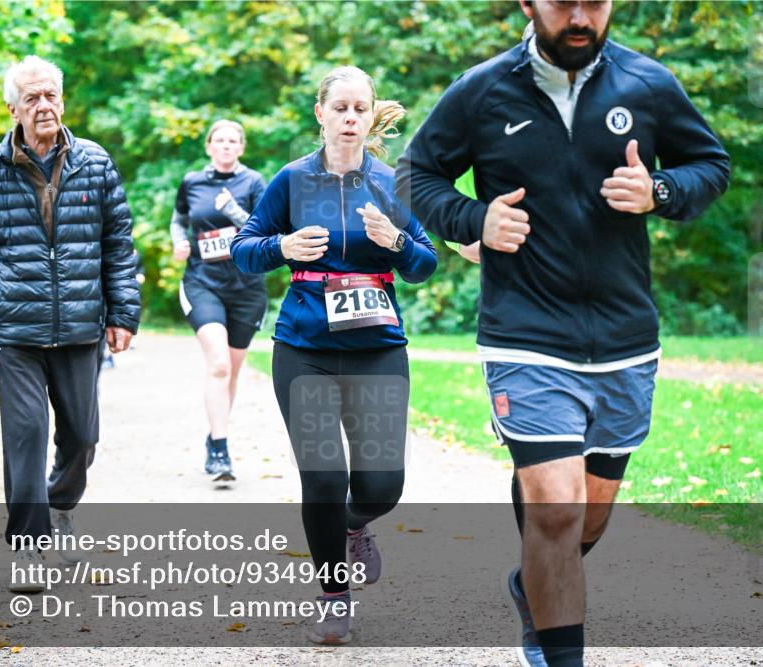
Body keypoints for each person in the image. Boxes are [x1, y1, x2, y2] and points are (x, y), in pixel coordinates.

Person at [396, 2, 730, 666]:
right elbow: (414, 175)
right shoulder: (483, 90)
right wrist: (473, 219)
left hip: (625, 337)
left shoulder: (649, 84)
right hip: (524, 333)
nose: (579, 15)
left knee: (587, 518)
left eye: (594, 2)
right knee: (554, 508)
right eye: (562, 2)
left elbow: (710, 165)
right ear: (527, 4)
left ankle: (534, 581)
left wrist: (660, 189)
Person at [231, 66, 437, 645]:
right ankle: (333, 597)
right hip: (305, 349)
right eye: (340, 108)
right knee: (322, 479)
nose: (350, 118)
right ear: (320, 114)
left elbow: (425, 263)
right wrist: (281, 246)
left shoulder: (391, 183)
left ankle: (350, 527)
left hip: (376, 349)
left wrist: (395, 242)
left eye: (360, 109)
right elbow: (244, 250)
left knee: (380, 487)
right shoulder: (291, 182)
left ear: (371, 117)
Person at [0, 55, 141, 591]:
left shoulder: (95, 163)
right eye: (31, 98)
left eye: (50, 94)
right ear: (13, 108)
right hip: (16, 330)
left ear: (62, 99)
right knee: (27, 434)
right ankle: (29, 547)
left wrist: (123, 313)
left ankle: (59, 505)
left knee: (82, 436)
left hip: (80, 325)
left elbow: (118, 245)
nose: (44, 105)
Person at [170, 120, 268, 483]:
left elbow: (266, 230)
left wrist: (233, 212)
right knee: (219, 365)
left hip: (246, 287)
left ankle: (214, 434)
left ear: (240, 148)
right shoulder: (193, 181)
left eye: (233, 141)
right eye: (220, 140)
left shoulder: (254, 183)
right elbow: (179, 220)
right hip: (202, 282)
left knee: (232, 371)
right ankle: (221, 451)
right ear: (209, 146)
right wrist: (179, 241)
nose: (226, 146)